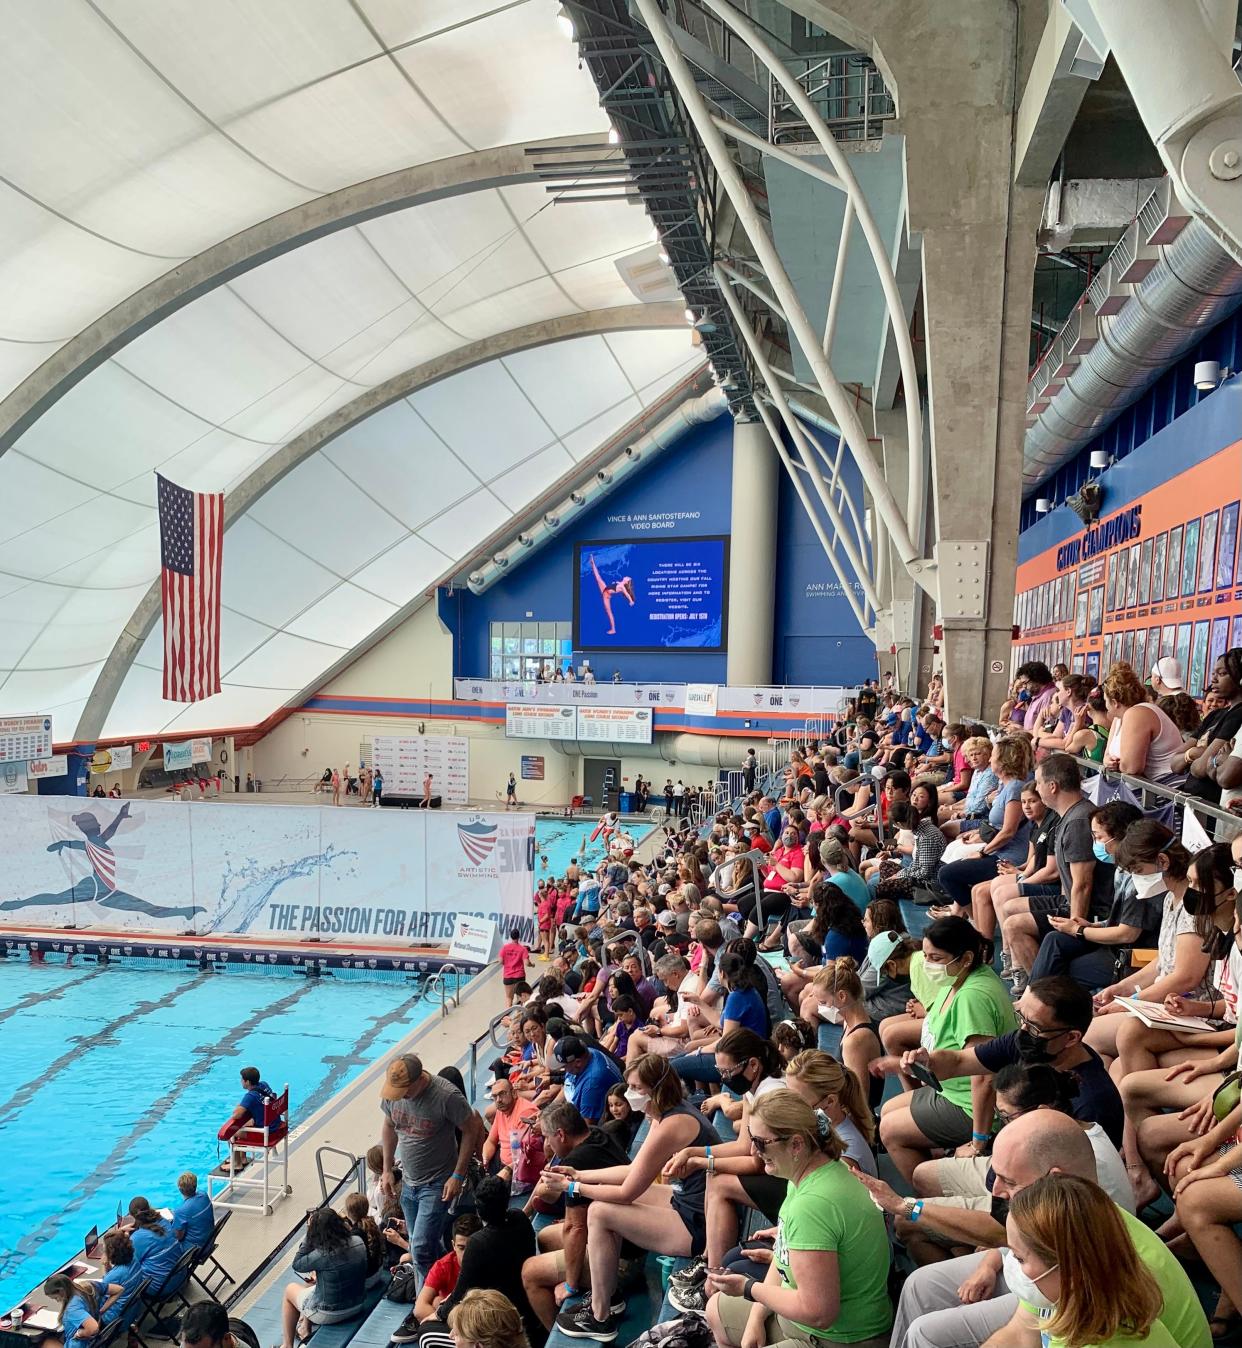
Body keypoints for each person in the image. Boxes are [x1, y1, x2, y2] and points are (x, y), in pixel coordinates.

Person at [886, 1110, 1211, 1348]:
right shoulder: (1076, 1240)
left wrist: (908, 1208)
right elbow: (1024, 1329)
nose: (996, 1190)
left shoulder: (1100, 1310)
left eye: (1018, 1256)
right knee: (919, 1287)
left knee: (925, 1334)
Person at [548, 1054, 720, 1341]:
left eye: (636, 1087)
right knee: (604, 1195)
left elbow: (627, 1191)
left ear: (656, 1088)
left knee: (600, 1212)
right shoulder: (665, 1114)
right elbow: (633, 1169)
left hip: (699, 1224)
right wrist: (579, 1174)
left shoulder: (672, 1124)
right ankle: (609, 1294)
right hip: (691, 1203)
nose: (629, 1094)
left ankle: (600, 1316)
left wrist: (572, 1189)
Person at [703, 1089, 891, 1348]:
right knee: (716, 1309)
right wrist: (757, 1315)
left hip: (840, 1338)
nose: (752, 1151)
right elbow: (783, 1257)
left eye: (760, 1142)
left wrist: (749, 1288)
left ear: (796, 1144)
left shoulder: (810, 1207)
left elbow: (819, 1313)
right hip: (814, 1322)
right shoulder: (811, 1172)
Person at [877, 917, 1017, 1181]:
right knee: (887, 1111)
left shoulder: (972, 998)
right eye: (926, 956)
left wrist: (979, 1141)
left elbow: (984, 1075)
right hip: (952, 1089)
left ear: (965, 958)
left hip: (969, 1105)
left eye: (936, 958)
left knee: (889, 1131)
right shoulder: (959, 979)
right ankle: (938, 1161)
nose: (928, 965)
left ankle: (930, 1195)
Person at [1004, 1175, 1183, 1347]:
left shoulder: (1095, 1337)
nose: (1012, 1263)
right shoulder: (1096, 1312)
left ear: (1071, 1272)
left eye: (1019, 1258)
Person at [520, 1100, 632, 1329]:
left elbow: (575, 1228)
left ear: (560, 1134)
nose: (546, 1144)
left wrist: (570, 1284)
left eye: (547, 1138)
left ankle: (557, 1332)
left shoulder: (576, 1161)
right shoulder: (598, 1134)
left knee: (530, 1272)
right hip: (622, 1236)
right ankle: (582, 1281)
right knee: (545, 1236)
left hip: (622, 1260)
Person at [395, 1177, 543, 1348]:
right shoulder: (519, 1219)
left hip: (498, 1323)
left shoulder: (479, 1242)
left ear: (478, 1209)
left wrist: (438, 1315)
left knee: (427, 1333)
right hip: (521, 1314)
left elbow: (460, 1293)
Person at [379, 1054, 486, 1279]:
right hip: (409, 1182)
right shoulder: (394, 1096)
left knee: (419, 1248)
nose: (401, 1097)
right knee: (426, 1248)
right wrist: (387, 1169)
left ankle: (426, 1305)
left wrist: (458, 1174)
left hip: (438, 1182)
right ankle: (447, 1285)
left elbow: (471, 1128)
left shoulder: (445, 1095)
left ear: (419, 1080)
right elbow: (389, 1126)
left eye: (405, 1090)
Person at [277, 1207, 368, 1348]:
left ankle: (287, 1345)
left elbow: (297, 1263)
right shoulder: (358, 1241)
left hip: (330, 1313)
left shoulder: (322, 1255)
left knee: (290, 1290)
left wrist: (309, 1233)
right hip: (358, 1303)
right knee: (311, 1286)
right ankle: (304, 1328)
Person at [408, 1214, 482, 1328]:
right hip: (454, 1322)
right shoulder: (443, 1266)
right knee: (438, 1302)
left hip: (479, 1318)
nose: (466, 1254)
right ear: (453, 1245)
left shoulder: (489, 1262)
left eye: (471, 1247)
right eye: (461, 1248)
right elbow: (419, 1308)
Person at [219, 1066, 276, 1174]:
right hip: (274, 1124)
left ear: (248, 1082)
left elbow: (236, 1115)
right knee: (245, 1123)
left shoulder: (250, 1096)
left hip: (266, 1132)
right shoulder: (264, 1085)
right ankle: (242, 1158)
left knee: (232, 1132)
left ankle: (236, 1163)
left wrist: (238, 1107)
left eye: (242, 1079)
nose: (241, 1081)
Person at [555, 1035, 623, 1125]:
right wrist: (549, 1111)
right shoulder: (586, 1053)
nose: (563, 1069)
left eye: (564, 1066)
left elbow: (586, 1127)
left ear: (578, 1063)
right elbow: (568, 1083)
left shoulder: (592, 1083)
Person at [482, 1075, 538, 1181]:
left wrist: (506, 1170)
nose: (498, 1100)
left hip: (517, 1169)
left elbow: (524, 1155)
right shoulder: (501, 1110)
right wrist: (485, 1160)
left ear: (513, 1093)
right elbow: (491, 1141)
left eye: (502, 1094)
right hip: (502, 1161)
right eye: (495, 1096)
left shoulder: (525, 1114)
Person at [342, 1191, 386, 1288]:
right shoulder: (371, 1222)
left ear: (348, 1213)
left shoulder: (355, 1235)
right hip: (379, 1270)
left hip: (368, 1280)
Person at [588, 554, 635, 636]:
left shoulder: (622, 587)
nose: (627, 577)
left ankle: (613, 629)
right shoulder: (620, 583)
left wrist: (631, 601)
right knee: (598, 578)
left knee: (609, 612)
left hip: (606, 596)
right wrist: (614, 583)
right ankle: (592, 563)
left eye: (628, 578)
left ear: (627, 582)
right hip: (605, 589)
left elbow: (627, 594)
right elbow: (614, 587)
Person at [171, 1171, 215, 1251]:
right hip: (209, 1241)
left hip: (195, 1250)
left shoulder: (180, 1211)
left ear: (180, 1189)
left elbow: (178, 1237)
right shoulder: (204, 1195)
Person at [499, 927, 532, 1007]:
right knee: (520, 998)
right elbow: (527, 963)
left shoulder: (505, 948)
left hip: (508, 976)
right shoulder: (523, 949)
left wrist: (507, 964)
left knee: (509, 998)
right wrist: (532, 964)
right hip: (519, 976)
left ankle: (507, 1017)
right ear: (518, 937)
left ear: (511, 936)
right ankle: (519, 1016)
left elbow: (500, 961)